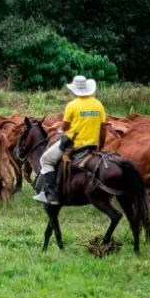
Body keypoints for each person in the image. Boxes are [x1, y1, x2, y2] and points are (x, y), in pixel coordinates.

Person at [33, 75, 107, 205]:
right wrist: (100, 146)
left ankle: (50, 194)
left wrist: (61, 130)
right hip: (92, 145)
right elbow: (103, 129)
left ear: (75, 90)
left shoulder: (72, 105)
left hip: (74, 145)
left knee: (46, 159)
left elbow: (65, 127)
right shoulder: (98, 104)